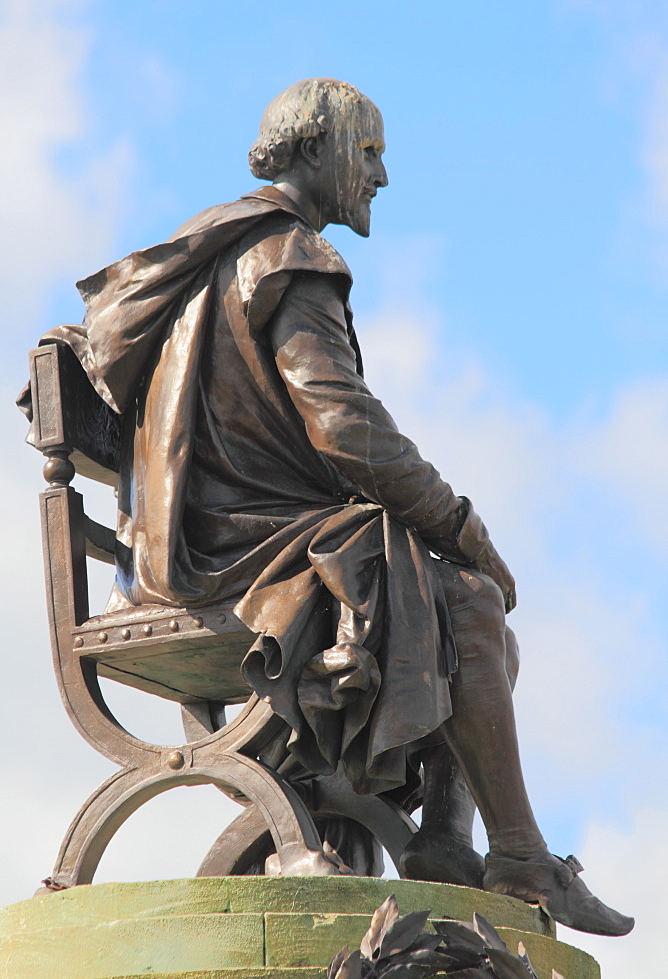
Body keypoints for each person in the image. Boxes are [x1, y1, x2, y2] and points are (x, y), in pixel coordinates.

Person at [32, 78, 632, 936]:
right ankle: (515, 855)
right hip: (230, 557)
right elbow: (346, 430)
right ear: (314, 150)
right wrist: (464, 524)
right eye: (371, 152)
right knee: (466, 593)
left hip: (192, 545)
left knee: (447, 590)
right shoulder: (289, 257)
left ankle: (457, 840)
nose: (382, 176)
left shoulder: (214, 251)